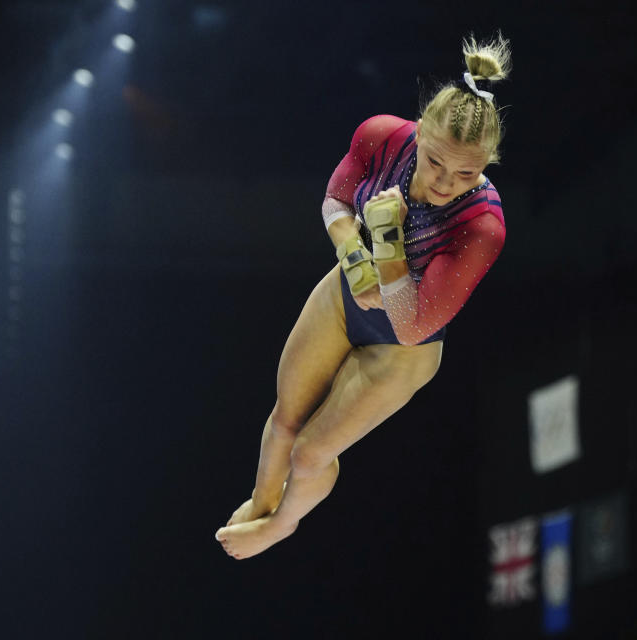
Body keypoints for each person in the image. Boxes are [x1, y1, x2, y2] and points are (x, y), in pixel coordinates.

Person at [216, 34, 511, 559]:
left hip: (403, 353)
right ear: (419, 133)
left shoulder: (481, 226)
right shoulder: (383, 136)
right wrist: (355, 254)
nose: (446, 182)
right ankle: (261, 503)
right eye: (436, 161)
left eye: (467, 172)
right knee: (286, 416)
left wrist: (390, 240)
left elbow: (413, 326)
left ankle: (282, 523)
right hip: (347, 295)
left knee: (308, 453)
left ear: (488, 162)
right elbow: (334, 198)